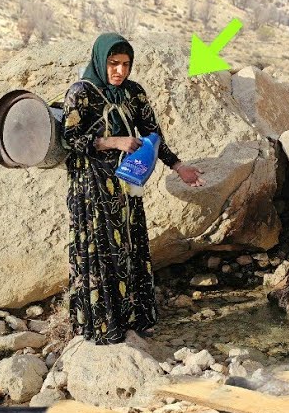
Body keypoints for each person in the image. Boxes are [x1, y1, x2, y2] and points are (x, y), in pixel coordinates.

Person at [63, 33, 203, 345]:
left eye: (126, 64)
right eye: (113, 64)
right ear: (101, 61)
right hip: (93, 190)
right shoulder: (81, 93)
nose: (120, 71)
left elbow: (154, 135)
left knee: (129, 247)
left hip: (126, 187)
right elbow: (69, 140)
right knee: (100, 254)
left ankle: (133, 321)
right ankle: (101, 327)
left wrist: (179, 167)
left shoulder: (133, 93)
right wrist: (111, 141)